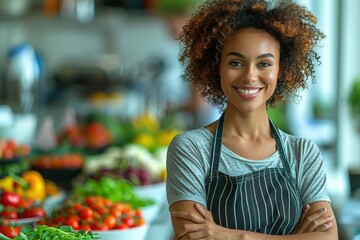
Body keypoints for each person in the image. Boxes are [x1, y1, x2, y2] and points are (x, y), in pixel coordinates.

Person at [166, 0, 338, 239]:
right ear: (217, 67)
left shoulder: (303, 153)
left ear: (281, 70)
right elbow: (191, 236)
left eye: (264, 64)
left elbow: (327, 238)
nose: (249, 76)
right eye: (235, 62)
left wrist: (225, 234)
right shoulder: (190, 149)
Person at [156, 0, 221, 129]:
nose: (170, 26)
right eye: (168, 21)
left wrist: (172, 109)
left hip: (209, 127)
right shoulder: (198, 48)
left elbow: (199, 104)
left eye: (173, 20)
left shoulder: (196, 53)